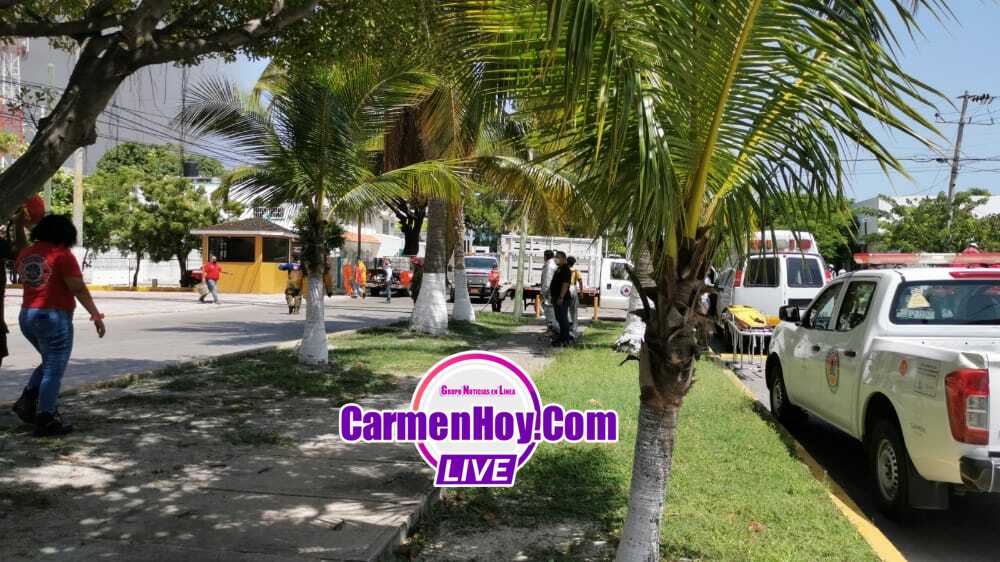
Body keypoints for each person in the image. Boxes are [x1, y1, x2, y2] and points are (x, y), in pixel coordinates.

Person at [11, 215, 106, 437]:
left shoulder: (26, 254)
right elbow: (78, 288)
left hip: (27, 315)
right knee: (54, 370)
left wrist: (19, 225)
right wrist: (95, 315)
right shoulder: (62, 255)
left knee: (49, 362)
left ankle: (28, 400)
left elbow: (22, 248)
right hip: (53, 317)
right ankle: (46, 418)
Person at [550, 251, 573, 346]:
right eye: (555, 257)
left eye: (558, 257)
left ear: (563, 258)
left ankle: (565, 339)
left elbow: (565, 284)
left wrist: (561, 297)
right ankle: (562, 337)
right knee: (559, 318)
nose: (556, 259)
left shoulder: (565, 269)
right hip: (556, 297)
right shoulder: (559, 268)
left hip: (562, 299)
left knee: (563, 319)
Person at [540, 250, 558, 332]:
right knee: (552, 310)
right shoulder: (554, 264)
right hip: (553, 291)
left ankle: (551, 328)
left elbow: (547, 280)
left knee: (549, 310)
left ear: (545, 256)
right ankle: (552, 328)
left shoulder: (549, 266)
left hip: (549, 292)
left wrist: (543, 292)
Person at [567, 256, 582, 337]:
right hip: (574, 288)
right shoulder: (576, 271)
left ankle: (568, 324)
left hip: (567, 288)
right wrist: (581, 291)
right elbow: (580, 281)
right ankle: (574, 327)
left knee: (566, 308)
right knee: (574, 309)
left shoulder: (565, 270)